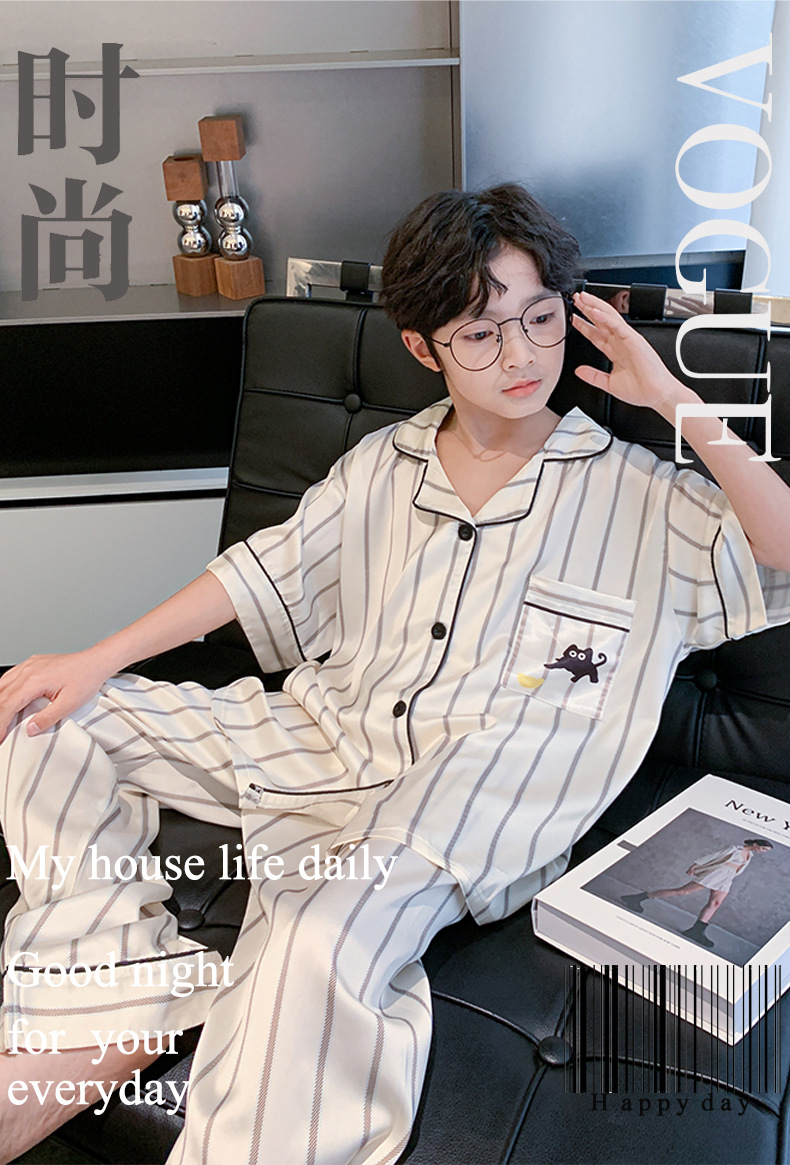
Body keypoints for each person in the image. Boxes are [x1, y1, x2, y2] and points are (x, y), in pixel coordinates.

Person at [0, 183, 789, 1164]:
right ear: (423, 348)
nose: (520, 357)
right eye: (480, 333)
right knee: (44, 715)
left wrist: (672, 397)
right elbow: (259, 570)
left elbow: (781, 547)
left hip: (463, 796)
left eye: (540, 318)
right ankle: (110, 992)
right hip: (326, 734)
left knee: (313, 937)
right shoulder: (383, 465)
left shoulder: (640, 496)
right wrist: (96, 658)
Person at [621, 838, 773, 947]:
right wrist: (694, 866)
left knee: (715, 903)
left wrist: (729, 878)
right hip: (717, 873)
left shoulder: (750, 855)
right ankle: (637, 898)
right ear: (756, 844)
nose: (763, 852)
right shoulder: (734, 849)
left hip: (727, 878)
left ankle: (696, 931)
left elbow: (738, 869)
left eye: (765, 851)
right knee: (682, 892)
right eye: (763, 849)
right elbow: (713, 856)